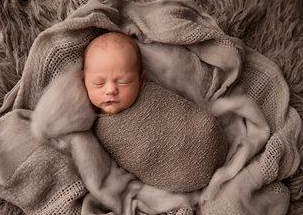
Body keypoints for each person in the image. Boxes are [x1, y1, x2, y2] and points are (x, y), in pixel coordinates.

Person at [82, 31, 228, 193]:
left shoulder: (152, 95)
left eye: (123, 81)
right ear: (84, 80)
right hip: (178, 174)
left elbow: (179, 112)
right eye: (99, 83)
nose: (110, 90)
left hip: (204, 136)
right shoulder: (93, 127)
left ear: (140, 79)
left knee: (204, 127)